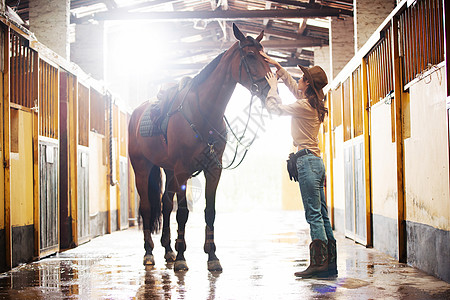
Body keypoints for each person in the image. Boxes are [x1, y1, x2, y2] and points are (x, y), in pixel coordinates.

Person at [260, 51, 337, 278]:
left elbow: (274, 109)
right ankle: (329, 261)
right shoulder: (314, 102)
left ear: (308, 85)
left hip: (307, 162)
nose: (299, 80)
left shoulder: (305, 106)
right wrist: (277, 65)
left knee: (313, 215)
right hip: (316, 162)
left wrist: (273, 87)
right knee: (322, 214)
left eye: (303, 78)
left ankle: (318, 264)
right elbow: (295, 88)